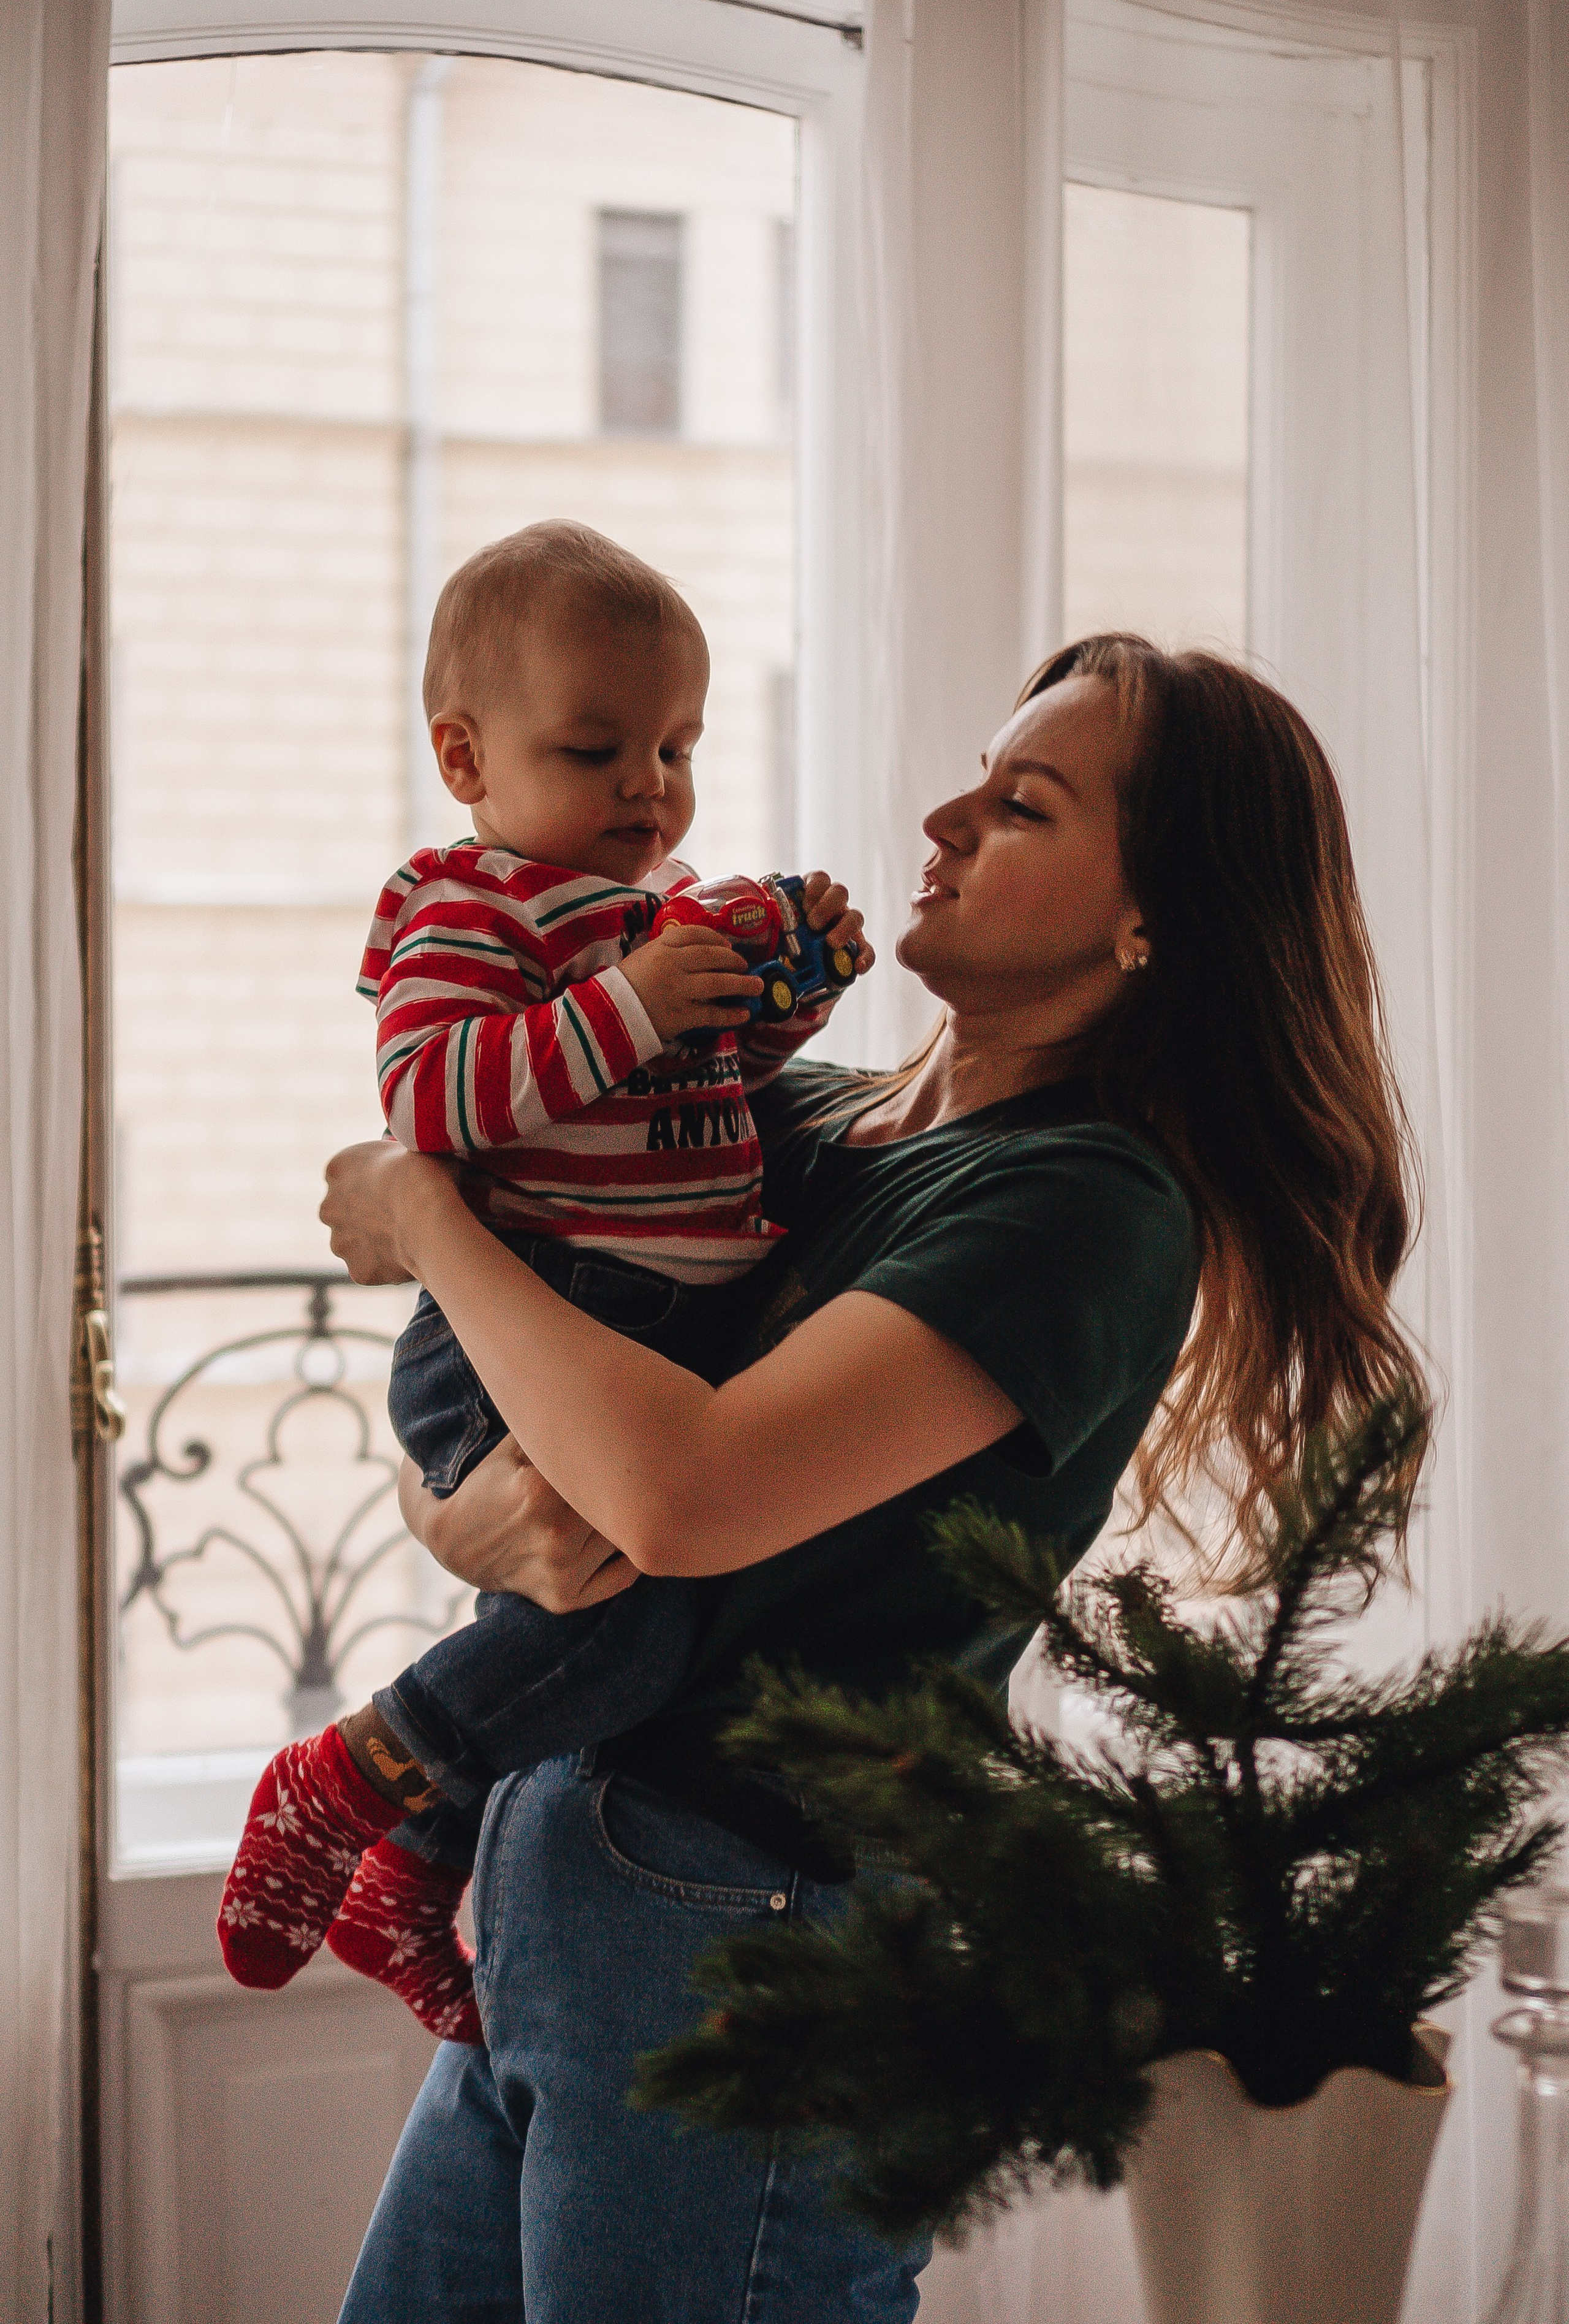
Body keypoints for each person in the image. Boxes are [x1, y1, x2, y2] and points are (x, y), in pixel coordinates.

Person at [319, 634, 1428, 2323]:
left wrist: (426, 1213)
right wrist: (458, 1513)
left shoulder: (1088, 1205)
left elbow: (676, 1495)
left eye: (1022, 802)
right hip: (565, 1866)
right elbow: (523, 1442)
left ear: (1155, 923)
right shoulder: (810, 1121)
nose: (943, 817)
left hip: (754, 1924)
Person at [215, 519, 870, 2043]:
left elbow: (680, 1092)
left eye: (676, 746)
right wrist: (633, 1000)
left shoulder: (653, 915)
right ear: (466, 756)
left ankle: (412, 1867)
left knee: (637, 1648)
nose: (649, 787)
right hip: (524, 1322)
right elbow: (434, 1106)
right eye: (596, 749)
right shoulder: (467, 908)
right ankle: (346, 1781)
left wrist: (776, 998)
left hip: (642, 1330)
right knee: (624, 1633)